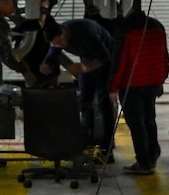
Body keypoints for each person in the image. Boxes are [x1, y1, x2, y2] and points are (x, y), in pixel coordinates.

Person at [43, 10, 117, 159]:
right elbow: (53, 53)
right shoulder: (58, 38)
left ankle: (106, 147)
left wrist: (86, 68)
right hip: (87, 61)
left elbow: (105, 57)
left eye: (59, 42)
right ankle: (86, 141)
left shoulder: (86, 32)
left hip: (106, 62)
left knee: (104, 103)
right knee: (85, 102)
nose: (59, 45)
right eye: (55, 44)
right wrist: (45, 64)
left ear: (64, 33)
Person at [109, 0, 169, 175]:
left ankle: (143, 162)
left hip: (131, 85)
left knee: (136, 124)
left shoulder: (124, 29)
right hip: (152, 83)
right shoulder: (156, 25)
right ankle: (152, 154)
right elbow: (164, 55)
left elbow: (119, 62)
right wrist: (161, 80)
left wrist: (113, 87)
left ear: (128, 7)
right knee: (149, 120)